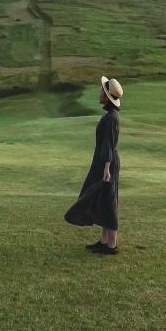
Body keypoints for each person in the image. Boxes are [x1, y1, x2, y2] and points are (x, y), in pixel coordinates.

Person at [65, 76, 122, 254]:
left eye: (101, 91)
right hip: (103, 161)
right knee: (102, 200)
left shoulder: (111, 118)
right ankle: (104, 241)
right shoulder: (109, 116)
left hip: (108, 163)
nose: (98, 93)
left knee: (109, 201)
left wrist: (106, 168)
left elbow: (109, 145)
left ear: (106, 97)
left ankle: (111, 245)